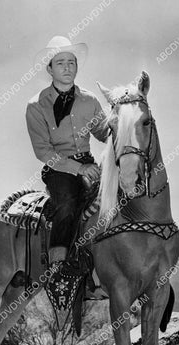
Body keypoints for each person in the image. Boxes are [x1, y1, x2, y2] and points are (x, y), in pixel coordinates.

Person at [26, 36, 109, 279]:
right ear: (49, 68)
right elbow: (43, 151)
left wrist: (122, 125)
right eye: (60, 63)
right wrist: (79, 169)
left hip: (90, 163)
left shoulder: (90, 100)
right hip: (58, 169)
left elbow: (104, 133)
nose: (67, 68)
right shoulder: (36, 106)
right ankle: (58, 268)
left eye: (71, 62)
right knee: (67, 204)